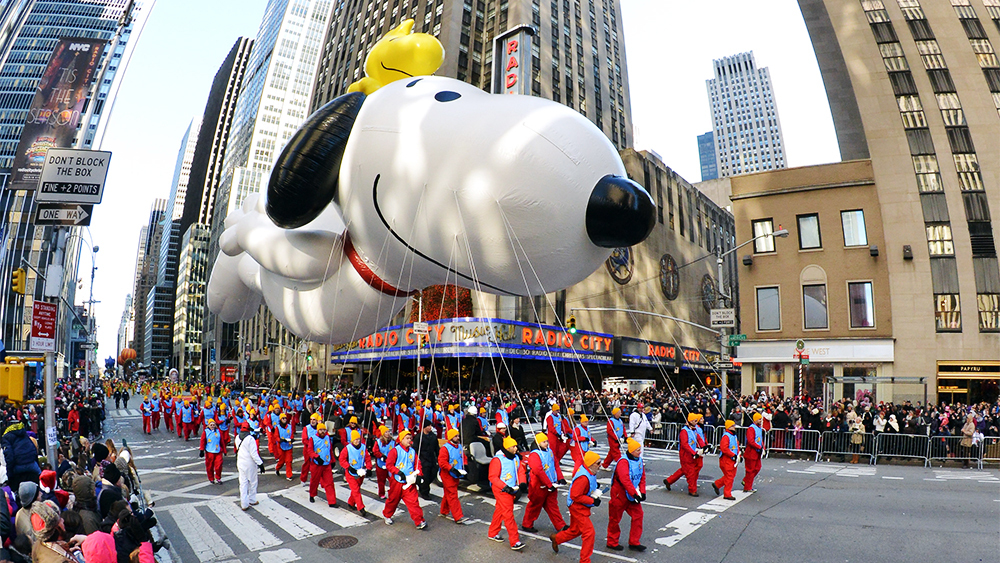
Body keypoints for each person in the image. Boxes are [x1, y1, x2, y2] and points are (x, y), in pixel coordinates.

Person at [550, 450, 603, 563]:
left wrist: (594, 487)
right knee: (589, 533)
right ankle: (584, 560)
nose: (600, 465)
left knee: (576, 530)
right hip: (577, 507)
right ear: (591, 464)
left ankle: (557, 538)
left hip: (578, 505)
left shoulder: (589, 472)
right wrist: (592, 500)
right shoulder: (583, 478)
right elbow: (575, 496)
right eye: (598, 463)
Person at [521, 433, 566, 534]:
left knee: (553, 505)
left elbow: (556, 465)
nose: (546, 443)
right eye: (543, 442)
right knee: (534, 505)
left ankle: (560, 525)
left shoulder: (549, 452)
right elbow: (538, 471)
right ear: (538, 443)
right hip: (539, 485)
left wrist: (560, 478)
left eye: (546, 441)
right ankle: (527, 524)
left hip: (551, 484)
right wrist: (549, 484)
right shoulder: (534, 454)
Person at [606, 439, 646, 552]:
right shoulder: (623, 462)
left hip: (631, 494)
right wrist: (635, 494)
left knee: (638, 515)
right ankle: (612, 541)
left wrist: (642, 492)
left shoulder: (639, 460)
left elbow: (642, 477)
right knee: (615, 518)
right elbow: (625, 480)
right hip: (620, 494)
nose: (640, 451)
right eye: (638, 450)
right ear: (632, 451)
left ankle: (634, 541)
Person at [487, 436, 525, 551]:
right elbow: (492, 477)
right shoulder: (497, 460)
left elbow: (521, 471)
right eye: (513, 447)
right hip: (501, 490)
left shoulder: (515, 458)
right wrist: (505, 487)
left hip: (511, 488)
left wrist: (522, 483)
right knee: (508, 515)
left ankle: (493, 532)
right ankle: (514, 541)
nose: (516, 449)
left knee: (500, 510)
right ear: (507, 448)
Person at [383, 429, 426, 529]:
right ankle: (387, 515)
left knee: (413, 502)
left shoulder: (412, 451)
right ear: (401, 439)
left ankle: (419, 521)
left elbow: (417, 464)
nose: (409, 440)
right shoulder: (395, 451)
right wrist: (398, 472)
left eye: (410, 438)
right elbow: (389, 465)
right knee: (393, 500)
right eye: (407, 438)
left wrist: (419, 474)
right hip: (397, 481)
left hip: (410, 481)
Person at [663, 413, 703, 497]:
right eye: (695, 421)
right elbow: (685, 445)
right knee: (690, 472)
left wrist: (704, 446)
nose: (697, 422)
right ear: (691, 421)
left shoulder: (693, 430)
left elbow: (699, 439)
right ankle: (692, 490)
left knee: (685, 470)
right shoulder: (684, 431)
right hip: (686, 455)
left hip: (692, 453)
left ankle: (669, 480)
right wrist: (693, 453)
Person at [437, 428, 468, 524]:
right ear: (451, 437)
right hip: (447, 474)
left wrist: (465, 465)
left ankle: (444, 511)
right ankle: (458, 516)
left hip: (456, 473)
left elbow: (463, 457)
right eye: (456, 436)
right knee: (453, 494)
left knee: (448, 493)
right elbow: (442, 462)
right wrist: (451, 469)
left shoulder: (458, 446)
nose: (458, 437)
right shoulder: (445, 448)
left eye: (458, 436)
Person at [339, 430, 371, 515]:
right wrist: (348, 467)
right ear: (352, 440)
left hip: (361, 472)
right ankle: (361, 507)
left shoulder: (363, 447)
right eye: (355, 440)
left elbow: (367, 458)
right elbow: (342, 459)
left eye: (358, 439)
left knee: (356, 489)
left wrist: (369, 468)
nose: (357, 441)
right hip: (351, 473)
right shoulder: (347, 449)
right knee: (356, 491)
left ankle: (351, 503)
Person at [235, 423, 265, 511]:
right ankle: (252, 499)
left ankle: (244, 503)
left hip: (240, 462)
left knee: (243, 483)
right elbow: (254, 454)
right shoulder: (250, 439)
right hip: (250, 463)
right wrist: (260, 463)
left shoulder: (237, 437)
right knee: (253, 482)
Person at [307, 423, 338, 507]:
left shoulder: (327, 437)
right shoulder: (312, 439)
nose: (322, 431)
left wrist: (333, 460)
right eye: (321, 430)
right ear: (318, 430)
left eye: (324, 430)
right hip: (316, 464)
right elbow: (309, 451)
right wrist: (316, 457)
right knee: (314, 481)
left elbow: (330, 450)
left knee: (329, 482)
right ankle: (312, 494)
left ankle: (332, 501)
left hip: (326, 464)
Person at [712, 420, 739, 501]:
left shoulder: (732, 435)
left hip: (732, 459)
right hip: (727, 459)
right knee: (730, 476)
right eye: (733, 426)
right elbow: (724, 448)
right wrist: (733, 455)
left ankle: (717, 484)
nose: (734, 427)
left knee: (730, 476)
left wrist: (738, 455)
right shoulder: (726, 436)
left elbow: (736, 446)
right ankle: (727, 494)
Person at [417, 420, 439, 501]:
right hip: (423, 460)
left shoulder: (433, 436)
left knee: (433, 474)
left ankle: (423, 485)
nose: (430, 427)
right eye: (428, 426)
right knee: (425, 476)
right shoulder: (419, 437)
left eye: (431, 426)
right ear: (424, 427)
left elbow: (436, 448)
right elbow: (416, 449)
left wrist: (438, 456)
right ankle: (425, 492)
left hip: (432, 459)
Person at [199, 417, 226, 485]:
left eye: (213, 425)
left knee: (219, 465)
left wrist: (224, 450)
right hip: (209, 452)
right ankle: (211, 478)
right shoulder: (206, 432)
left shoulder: (218, 431)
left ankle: (218, 478)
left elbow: (222, 441)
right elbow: (202, 441)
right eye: (211, 425)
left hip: (218, 451)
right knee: (209, 466)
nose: (212, 426)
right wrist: (201, 450)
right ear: (208, 425)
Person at [743, 412, 764, 493]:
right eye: (759, 419)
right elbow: (751, 441)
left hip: (757, 452)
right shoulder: (751, 428)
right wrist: (759, 447)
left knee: (757, 468)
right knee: (750, 470)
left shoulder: (758, 428)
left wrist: (762, 447)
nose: (761, 420)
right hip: (751, 452)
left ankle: (746, 482)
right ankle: (748, 486)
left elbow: (760, 440)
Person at [371, 426, 394, 499]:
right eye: (386, 432)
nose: (387, 433)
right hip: (381, 464)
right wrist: (381, 456)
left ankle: (392, 492)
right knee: (381, 480)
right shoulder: (378, 442)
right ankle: (381, 493)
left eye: (388, 432)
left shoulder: (392, 441)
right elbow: (375, 451)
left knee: (392, 479)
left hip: (390, 463)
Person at [300, 413, 321, 486]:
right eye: (311, 420)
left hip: (318, 450)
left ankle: (318, 479)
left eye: (314, 420)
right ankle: (303, 479)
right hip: (308, 449)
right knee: (307, 464)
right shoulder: (306, 428)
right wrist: (311, 445)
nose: (312, 421)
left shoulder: (320, 428)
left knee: (318, 465)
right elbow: (304, 440)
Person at [274, 413, 294, 480]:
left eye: (285, 418)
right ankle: (277, 468)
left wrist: (291, 439)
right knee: (282, 461)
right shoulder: (277, 427)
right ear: (280, 419)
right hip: (281, 446)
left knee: (289, 461)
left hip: (289, 445)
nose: (285, 420)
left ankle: (289, 475)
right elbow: (276, 436)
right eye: (283, 418)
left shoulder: (289, 426)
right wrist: (280, 440)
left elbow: (291, 434)